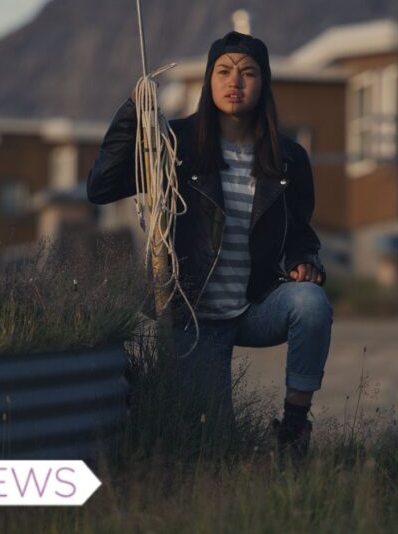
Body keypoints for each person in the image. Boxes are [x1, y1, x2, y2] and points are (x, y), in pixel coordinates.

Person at [87, 32, 332, 457]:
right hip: (195, 314)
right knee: (213, 445)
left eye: (248, 72)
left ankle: (293, 429)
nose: (234, 81)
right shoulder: (174, 144)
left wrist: (303, 260)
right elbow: (101, 187)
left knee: (311, 303)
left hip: (256, 304)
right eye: (223, 71)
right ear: (208, 80)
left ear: (264, 83)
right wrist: (131, 114)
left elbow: (300, 232)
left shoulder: (289, 157)